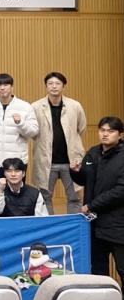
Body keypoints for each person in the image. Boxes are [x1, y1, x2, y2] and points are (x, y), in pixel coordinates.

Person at [70, 116, 124, 282]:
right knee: (99, 272)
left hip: (118, 226)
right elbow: (84, 180)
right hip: (94, 225)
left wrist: (92, 205)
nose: (105, 134)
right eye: (102, 130)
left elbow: (120, 191)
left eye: (111, 131)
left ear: (120, 135)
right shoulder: (93, 152)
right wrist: (75, 172)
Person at [32, 72, 86, 214]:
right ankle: (49, 226)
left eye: (57, 83)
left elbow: (81, 128)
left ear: (63, 86)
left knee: (75, 197)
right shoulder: (36, 106)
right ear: (46, 86)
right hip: (46, 161)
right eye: (50, 83)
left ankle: (73, 226)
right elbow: (33, 131)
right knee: (44, 198)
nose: (54, 86)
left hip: (71, 161)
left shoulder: (75, 105)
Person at [0, 73, 39, 188]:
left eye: (6, 85)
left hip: (16, 163)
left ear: (12, 87)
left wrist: (20, 123)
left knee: (16, 195)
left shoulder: (25, 106)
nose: (2, 88)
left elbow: (34, 132)